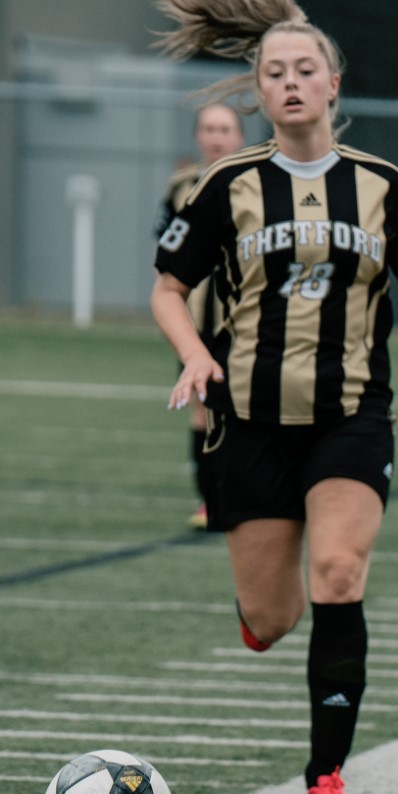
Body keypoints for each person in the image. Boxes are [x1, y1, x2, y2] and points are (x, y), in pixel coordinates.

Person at [148, 0, 398, 794]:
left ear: (332, 84)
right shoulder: (227, 186)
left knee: (338, 573)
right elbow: (168, 288)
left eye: (303, 70)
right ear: (257, 93)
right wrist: (193, 356)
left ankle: (326, 774)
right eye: (273, 73)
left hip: (351, 419)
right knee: (272, 616)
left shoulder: (384, 185)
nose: (289, 83)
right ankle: (260, 618)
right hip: (249, 424)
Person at [156, 103, 246, 529]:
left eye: (225, 129)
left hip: (245, 323)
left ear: (239, 136)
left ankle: (246, 496)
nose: (216, 137)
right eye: (209, 128)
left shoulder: (255, 182)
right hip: (197, 323)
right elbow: (165, 256)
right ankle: (210, 502)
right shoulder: (181, 187)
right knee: (202, 411)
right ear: (197, 136)